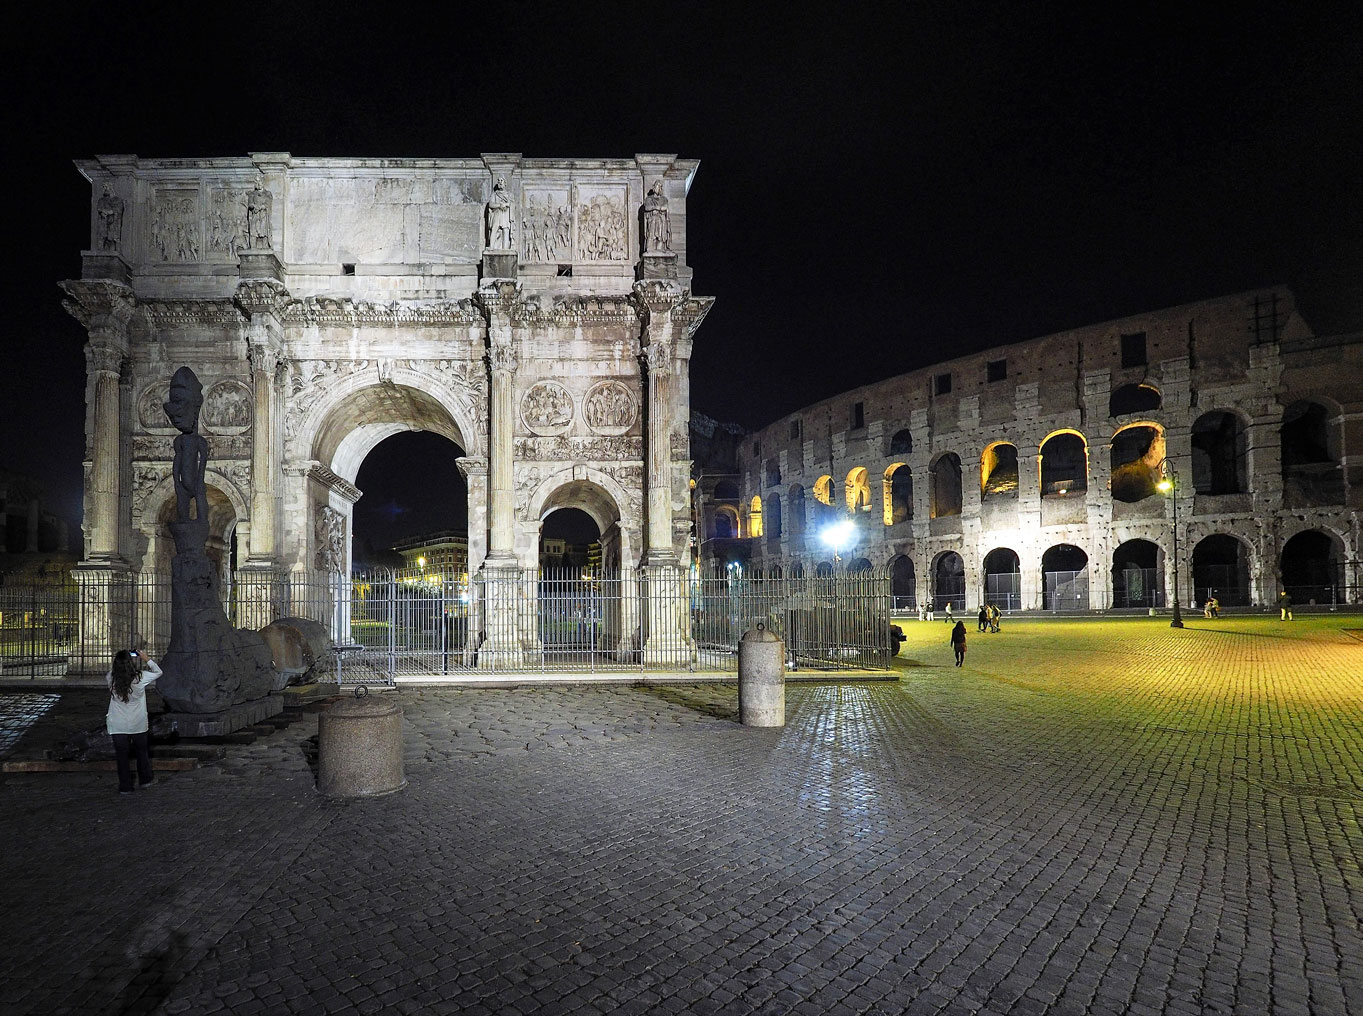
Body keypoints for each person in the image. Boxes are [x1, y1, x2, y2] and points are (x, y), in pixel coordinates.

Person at [106, 649, 162, 795]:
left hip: (118, 724)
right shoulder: (141, 678)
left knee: (122, 757)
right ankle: (145, 780)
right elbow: (158, 672)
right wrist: (146, 658)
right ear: (131, 663)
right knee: (142, 753)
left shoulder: (110, 678)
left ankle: (125, 786)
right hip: (138, 722)